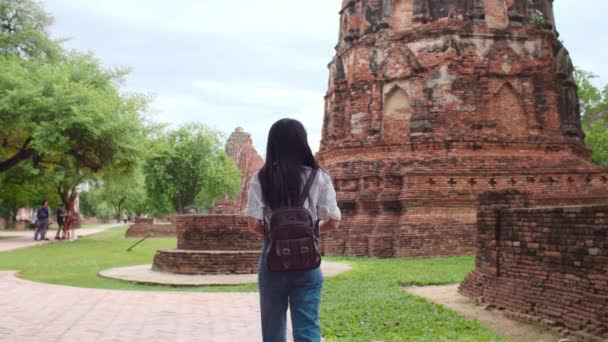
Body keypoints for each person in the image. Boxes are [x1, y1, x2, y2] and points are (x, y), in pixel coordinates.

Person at [245, 118, 341, 342]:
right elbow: (334, 221)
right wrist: (310, 233)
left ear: (273, 144)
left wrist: (276, 236)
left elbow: (253, 224)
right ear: (302, 142)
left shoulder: (261, 178)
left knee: (272, 329)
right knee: (307, 327)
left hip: (273, 260)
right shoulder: (319, 176)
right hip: (308, 260)